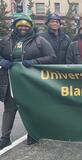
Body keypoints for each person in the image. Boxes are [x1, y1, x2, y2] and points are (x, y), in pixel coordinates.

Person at [0, 14, 56, 149]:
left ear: (31, 26)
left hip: (30, 82)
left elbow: (51, 56)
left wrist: (35, 62)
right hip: (11, 81)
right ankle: (4, 138)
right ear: (15, 26)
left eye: (26, 25)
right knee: (9, 109)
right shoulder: (6, 40)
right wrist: (2, 61)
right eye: (20, 25)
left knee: (31, 108)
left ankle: (33, 133)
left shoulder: (39, 41)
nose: (23, 27)